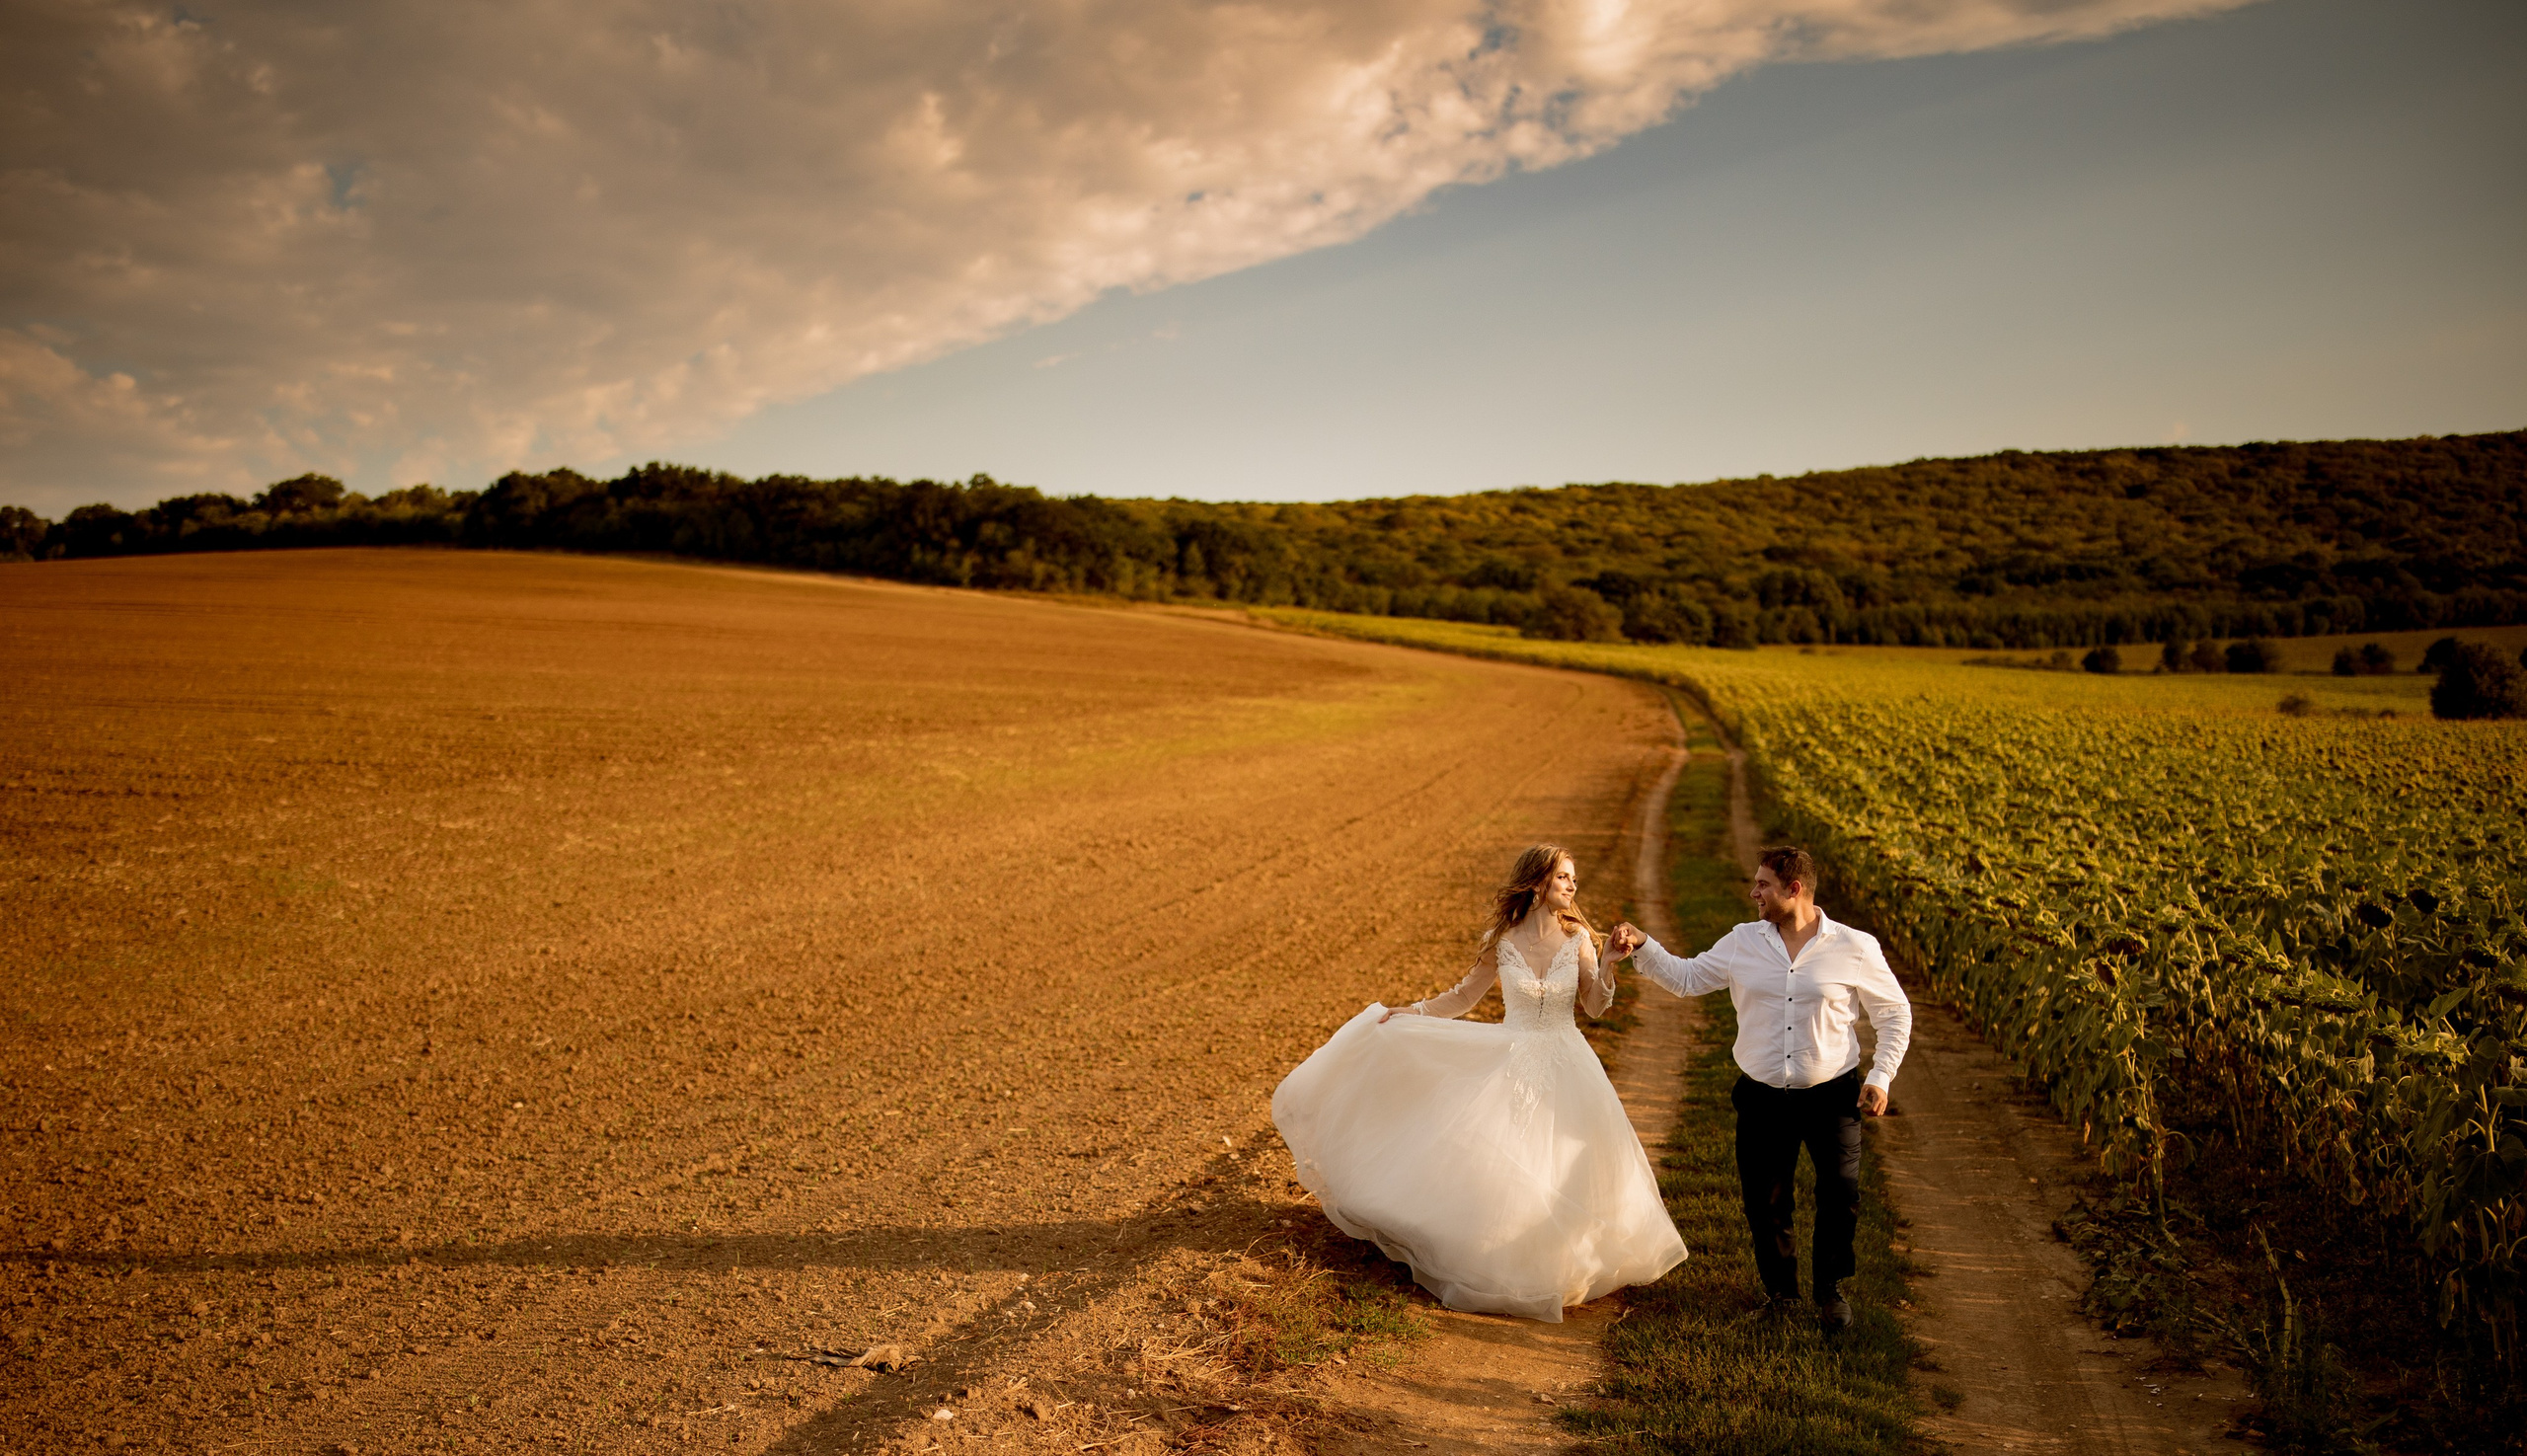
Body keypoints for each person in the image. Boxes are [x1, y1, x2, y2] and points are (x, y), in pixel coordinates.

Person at [1271, 844, 1686, 1322]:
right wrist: (1410, 1014)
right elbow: (1464, 997)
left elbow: (1593, 1007)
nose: (1573, 886)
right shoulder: (1502, 940)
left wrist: (1608, 962)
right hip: (1511, 1054)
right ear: (1538, 883)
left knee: (1564, 1160)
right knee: (1505, 1161)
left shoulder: (1579, 939)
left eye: (1574, 878)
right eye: (1564, 877)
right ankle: (1497, 1258)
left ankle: (1561, 1261)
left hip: (1567, 1058)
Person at [1606, 845, 1911, 1333]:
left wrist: (1880, 1076)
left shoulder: (1855, 947)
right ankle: (1782, 1295)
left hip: (1833, 1094)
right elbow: (1688, 978)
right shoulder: (1742, 941)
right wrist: (1643, 945)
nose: (1754, 893)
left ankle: (1830, 1290)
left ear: (1795, 889)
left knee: (1840, 1194)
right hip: (1762, 1096)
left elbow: (1894, 1013)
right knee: (1765, 1201)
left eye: (1763, 884)